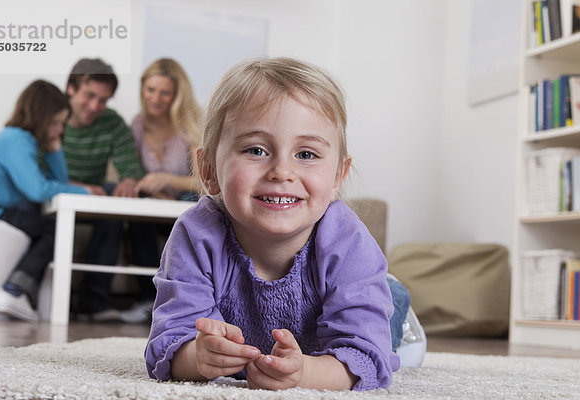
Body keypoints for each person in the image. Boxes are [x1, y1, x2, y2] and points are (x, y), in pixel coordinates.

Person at [145, 57, 413, 391]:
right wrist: (197, 357)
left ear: (337, 178)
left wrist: (305, 374)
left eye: (306, 154)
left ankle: (393, 296)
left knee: (390, 321)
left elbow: (363, 356)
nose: (281, 172)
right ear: (209, 169)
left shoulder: (347, 241)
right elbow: (170, 339)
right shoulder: (196, 234)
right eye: (256, 150)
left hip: (351, 304)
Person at [0, 80, 91, 322]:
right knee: (54, 227)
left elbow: (59, 185)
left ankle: (17, 290)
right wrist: (86, 191)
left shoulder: (23, 141)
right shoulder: (16, 139)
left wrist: (54, 149)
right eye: (57, 122)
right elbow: (38, 190)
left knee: (44, 217)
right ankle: (15, 290)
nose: (60, 129)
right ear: (42, 117)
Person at [121, 58, 202, 324]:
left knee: (187, 201)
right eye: (150, 89)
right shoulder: (137, 125)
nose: (155, 98)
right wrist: (147, 188)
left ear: (177, 94)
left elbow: (204, 182)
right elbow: (134, 173)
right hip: (153, 204)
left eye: (164, 92)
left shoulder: (190, 123)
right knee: (136, 208)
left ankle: (179, 301)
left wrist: (166, 179)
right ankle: (147, 300)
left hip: (182, 205)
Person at [63, 58, 145, 321]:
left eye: (103, 100)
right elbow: (37, 174)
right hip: (55, 197)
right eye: (90, 96)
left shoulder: (111, 122)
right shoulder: (51, 115)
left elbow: (131, 167)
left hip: (93, 201)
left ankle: (94, 301)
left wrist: (129, 181)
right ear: (71, 88)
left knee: (114, 196)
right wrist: (81, 188)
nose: (95, 106)